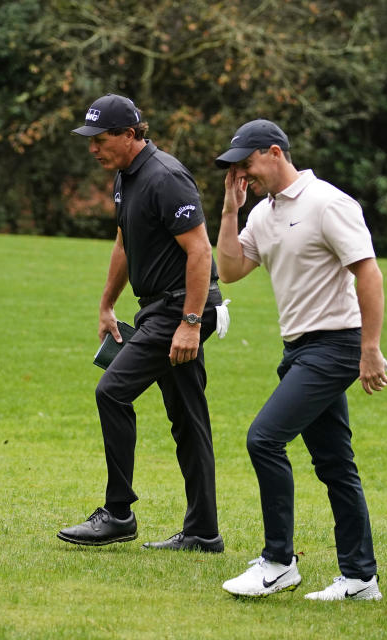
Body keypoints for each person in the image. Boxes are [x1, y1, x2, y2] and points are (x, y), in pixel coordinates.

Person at [214, 119, 387, 600]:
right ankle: (360, 579)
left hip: (336, 346)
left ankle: (278, 562)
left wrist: (369, 349)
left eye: (247, 165)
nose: (243, 175)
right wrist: (231, 211)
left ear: (275, 152)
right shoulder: (261, 214)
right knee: (335, 464)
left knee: (264, 439)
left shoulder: (327, 203)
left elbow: (369, 273)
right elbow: (230, 271)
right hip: (298, 350)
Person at [57, 94, 225, 553]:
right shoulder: (125, 178)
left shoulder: (165, 177)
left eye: (101, 138)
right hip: (157, 308)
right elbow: (124, 242)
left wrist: (189, 322)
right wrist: (107, 302)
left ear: (130, 135)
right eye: (89, 139)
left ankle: (118, 513)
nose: (93, 147)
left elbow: (200, 251)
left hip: (179, 309)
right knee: (189, 420)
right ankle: (204, 533)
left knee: (111, 391)